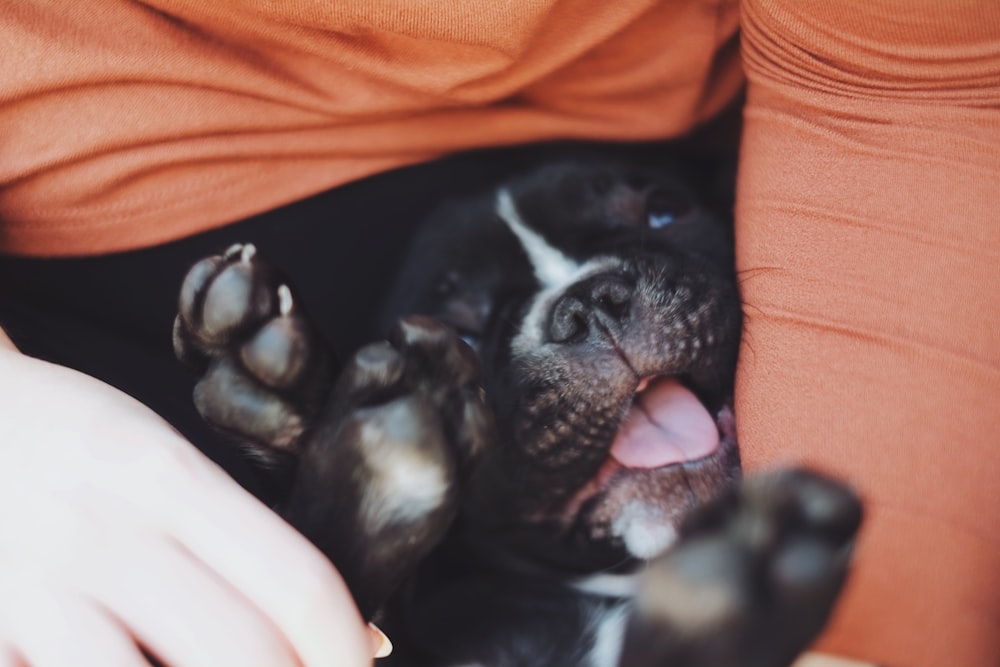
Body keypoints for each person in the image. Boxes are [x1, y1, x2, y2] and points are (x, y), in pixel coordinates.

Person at [1, 2, 997, 667]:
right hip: (77, 378)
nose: (591, 306)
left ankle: (362, 521)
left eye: (650, 217)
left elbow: (910, 82)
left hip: (723, 143)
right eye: (471, 333)